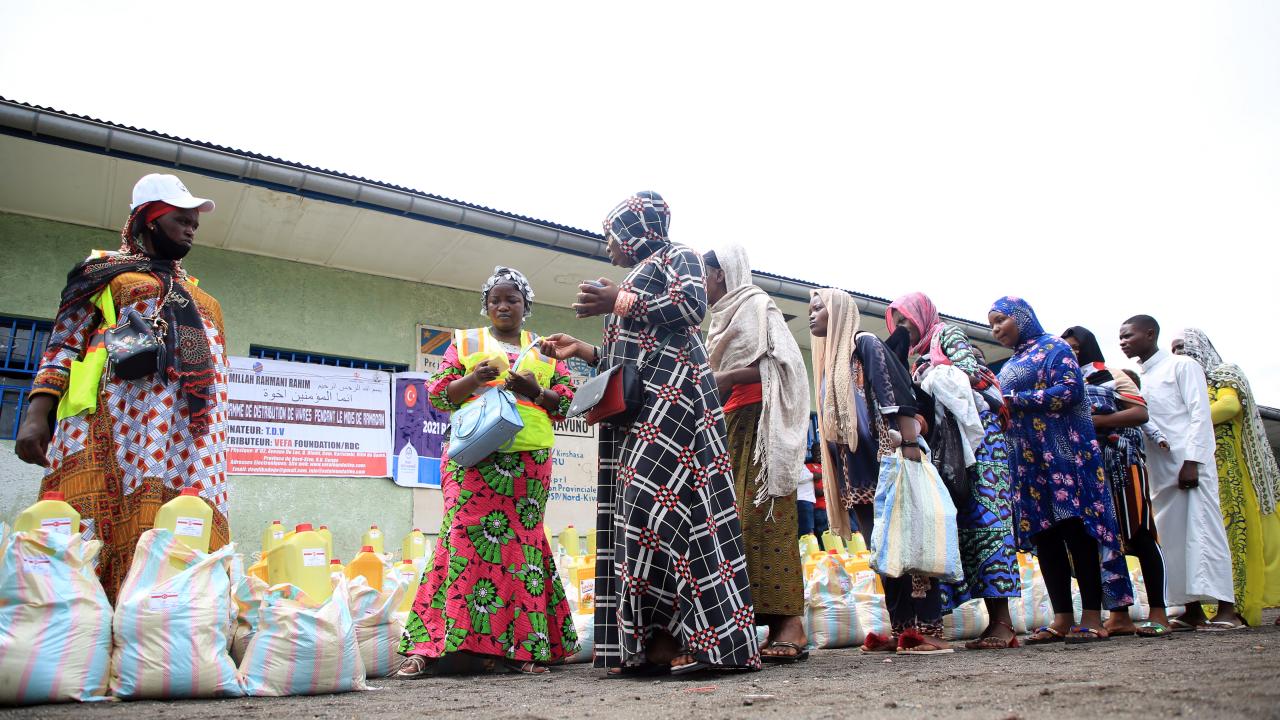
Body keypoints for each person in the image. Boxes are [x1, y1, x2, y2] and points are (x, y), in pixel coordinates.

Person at [540, 192, 759, 676]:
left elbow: (690, 305)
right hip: (644, 412)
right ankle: (657, 642)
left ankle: (707, 644)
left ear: (636, 231)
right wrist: (584, 350)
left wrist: (614, 299)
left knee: (672, 514)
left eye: (612, 237)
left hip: (678, 407)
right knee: (637, 521)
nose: (608, 247)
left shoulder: (676, 255)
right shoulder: (639, 278)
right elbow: (633, 361)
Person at [14, 174, 228, 602]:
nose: (191, 228)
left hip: (187, 437)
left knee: (180, 525)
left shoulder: (198, 297)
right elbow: (63, 345)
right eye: (181, 219)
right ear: (149, 220)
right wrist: (37, 414)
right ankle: (88, 626)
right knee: (96, 528)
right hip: (113, 424)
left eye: (195, 224)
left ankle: (165, 629)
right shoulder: (104, 276)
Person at [398, 266, 578, 676]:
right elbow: (439, 396)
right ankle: (430, 647)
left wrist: (532, 389)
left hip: (528, 465)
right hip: (472, 462)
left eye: (512, 299)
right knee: (459, 538)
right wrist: (473, 379)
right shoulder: (464, 343)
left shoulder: (545, 348)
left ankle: (527, 648)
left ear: (525, 306)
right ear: (486, 305)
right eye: (495, 299)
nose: (503, 306)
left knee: (522, 544)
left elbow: (567, 403)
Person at [809, 288, 949, 654]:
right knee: (884, 553)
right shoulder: (829, 361)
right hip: (855, 476)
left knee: (912, 543)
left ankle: (930, 629)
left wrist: (909, 449)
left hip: (889, 463)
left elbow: (897, 393)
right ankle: (903, 628)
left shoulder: (864, 343)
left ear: (837, 311)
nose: (812, 316)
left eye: (818, 309)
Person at [989, 297, 1133, 644]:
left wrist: (1013, 401)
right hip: (1028, 462)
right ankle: (1062, 618)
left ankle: (1094, 617)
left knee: (1077, 531)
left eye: (1000, 321)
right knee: (1045, 536)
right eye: (991, 324)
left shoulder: (1054, 347)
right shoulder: (1012, 363)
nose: (995, 330)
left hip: (1066, 456)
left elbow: (1070, 391)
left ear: (1021, 317)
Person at [887, 292, 1021, 650]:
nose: (903, 329)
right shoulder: (919, 361)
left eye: (906, 320)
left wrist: (933, 375)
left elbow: (972, 375)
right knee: (955, 529)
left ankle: (1003, 624)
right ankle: (943, 625)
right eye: (896, 323)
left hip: (983, 443)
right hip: (953, 450)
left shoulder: (948, 336)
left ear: (922, 316)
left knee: (989, 525)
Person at [704, 244, 810, 663]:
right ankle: (760, 625)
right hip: (732, 425)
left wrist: (727, 376)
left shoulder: (757, 306)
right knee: (736, 525)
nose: (700, 283)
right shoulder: (719, 319)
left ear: (722, 273)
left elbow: (788, 366)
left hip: (764, 424)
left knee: (767, 517)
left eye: (704, 273)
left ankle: (791, 626)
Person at [1120, 315, 1243, 630]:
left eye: (1129, 335)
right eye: (1120, 337)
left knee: (1205, 532)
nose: (1123, 342)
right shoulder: (1140, 378)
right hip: (1159, 472)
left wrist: (1193, 461)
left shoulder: (1182, 366)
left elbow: (1199, 414)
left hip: (1188, 466)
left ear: (1150, 334)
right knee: (1173, 541)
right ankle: (1192, 610)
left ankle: (1227, 610)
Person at [1062, 326, 1170, 637]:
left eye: (1076, 346)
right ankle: (1119, 616)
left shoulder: (1111, 374)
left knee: (1139, 534)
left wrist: (1098, 422)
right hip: (1086, 471)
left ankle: (1159, 613)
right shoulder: (1063, 384)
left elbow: (1139, 413)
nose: (1072, 352)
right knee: (1102, 543)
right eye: (1066, 347)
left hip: (1122, 465)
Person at [1174, 328, 1279, 627]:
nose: (1179, 354)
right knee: (1197, 538)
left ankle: (1234, 608)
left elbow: (1230, 406)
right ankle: (1195, 609)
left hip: (1227, 470)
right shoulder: (1186, 382)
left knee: (1234, 536)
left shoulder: (1223, 373)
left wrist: (1187, 418)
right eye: (1174, 349)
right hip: (1196, 469)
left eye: (1183, 346)